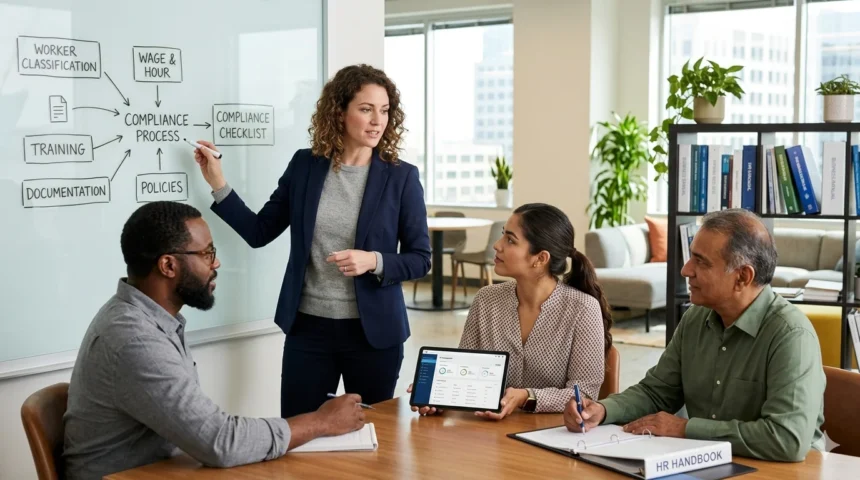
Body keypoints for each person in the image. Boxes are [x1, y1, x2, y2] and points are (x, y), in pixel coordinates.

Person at [63, 202, 366, 480]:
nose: (216, 263)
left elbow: (209, 435)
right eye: (207, 253)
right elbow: (220, 441)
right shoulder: (134, 339)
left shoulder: (148, 319)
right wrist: (320, 422)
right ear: (168, 265)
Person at [193, 64, 431, 418]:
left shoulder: (401, 177)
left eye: (384, 111)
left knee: (371, 434)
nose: (377, 121)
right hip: (309, 328)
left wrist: (374, 261)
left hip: (373, 335)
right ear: (339, 111)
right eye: (366, 109)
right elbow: (260, 231)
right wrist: (218, 183)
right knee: (297, 433)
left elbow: (420, 258)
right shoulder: (305, 165)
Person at [564, 209, 826, 462]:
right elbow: (657, 392)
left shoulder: (792, 335)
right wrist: (603, 409)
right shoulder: (695, 318)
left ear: (742, 277)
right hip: (706, 462)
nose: (686, 270)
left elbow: (787, 440)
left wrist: (686, 429)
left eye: (701, 261)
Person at [409, 203, 611, 419]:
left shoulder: (583, 308)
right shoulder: (486, 299)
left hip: (552, 435)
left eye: (510, 240)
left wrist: (527, 396)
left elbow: (585, 395)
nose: (497, 245)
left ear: (540, 259)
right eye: (503, 234)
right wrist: (442, 394)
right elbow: (467, 372)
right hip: (488, 436)